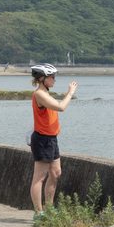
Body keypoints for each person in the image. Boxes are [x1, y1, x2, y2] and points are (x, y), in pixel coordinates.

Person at [29, 63, 78, 217]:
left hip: (51, 139)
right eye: (52, 77)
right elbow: (61, 107)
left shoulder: (46, 93)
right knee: (40, 177)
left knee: (56, 173)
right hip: (42, 139)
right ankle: (39, 213)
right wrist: (70, 93)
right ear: (42, 78)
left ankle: (49, 209)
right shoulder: (39, 94)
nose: (54, 80)